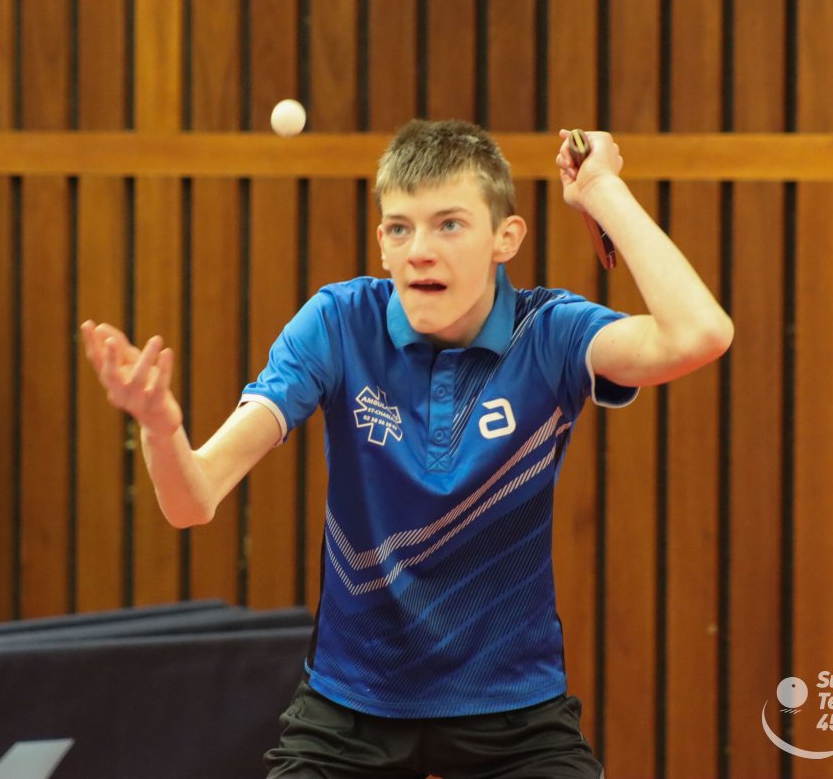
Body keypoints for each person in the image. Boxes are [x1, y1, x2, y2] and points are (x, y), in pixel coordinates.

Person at [81, 120, 733, 778]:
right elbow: (192, 501)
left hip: (515, 715)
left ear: (505, 238)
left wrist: (600, 189)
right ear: (383, 246)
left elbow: (700, 334)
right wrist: (160, 428)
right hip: (351, 712)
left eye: (449, 225)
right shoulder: (340, 324)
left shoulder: (550, 334)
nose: (420, 251)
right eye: (400, 228)